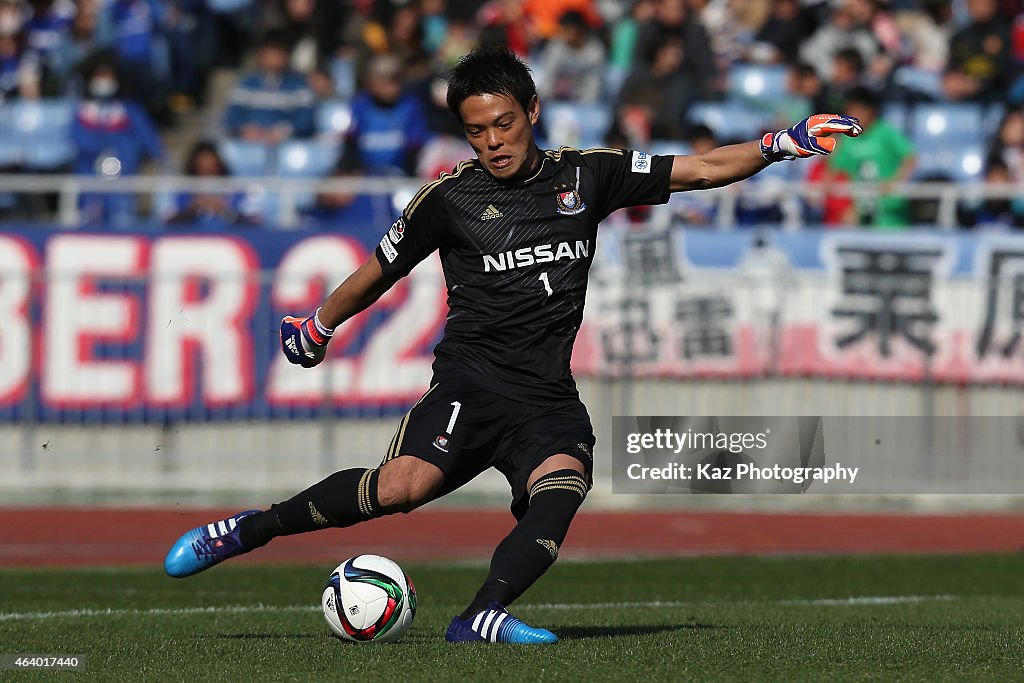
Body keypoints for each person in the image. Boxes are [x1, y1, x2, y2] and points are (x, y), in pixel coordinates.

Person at [164, 47, 861, 643]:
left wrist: (782, 144)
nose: (493, 141)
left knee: (564, 481)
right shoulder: (449, 200)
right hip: (472, 381)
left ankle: (482, 614)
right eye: (477, 132)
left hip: (546, 393)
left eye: (503, 123)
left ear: (530, 110)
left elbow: (703, 169)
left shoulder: (588, 174)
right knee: (401, 488)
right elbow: (379, 269)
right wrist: (319, 325)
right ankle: (248, 530)